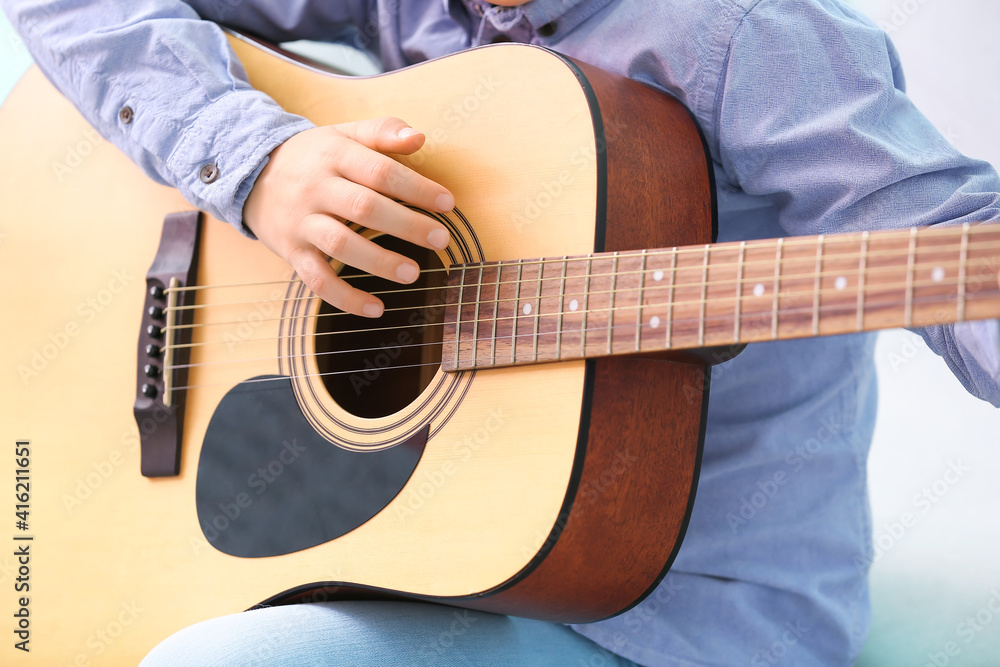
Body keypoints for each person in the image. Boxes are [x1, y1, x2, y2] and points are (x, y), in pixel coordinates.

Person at [3, 0, 999, 664]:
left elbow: (942, 237)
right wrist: (257, 162)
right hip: (436, 566)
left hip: (678, 624)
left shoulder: (750, 35)